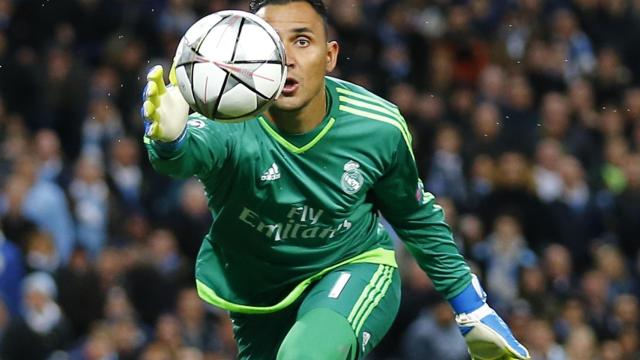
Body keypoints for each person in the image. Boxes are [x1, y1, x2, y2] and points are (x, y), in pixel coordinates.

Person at [141, 0, 531, 359]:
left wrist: (471, 306)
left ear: (329, 57)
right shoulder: (226, 124)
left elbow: (414, 216)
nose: (287, 59)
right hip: (259, 295)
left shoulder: (377, 126)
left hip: (354, 267)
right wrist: (170, 139)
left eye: (303, 41)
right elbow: (186, 155)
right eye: (272, 43)